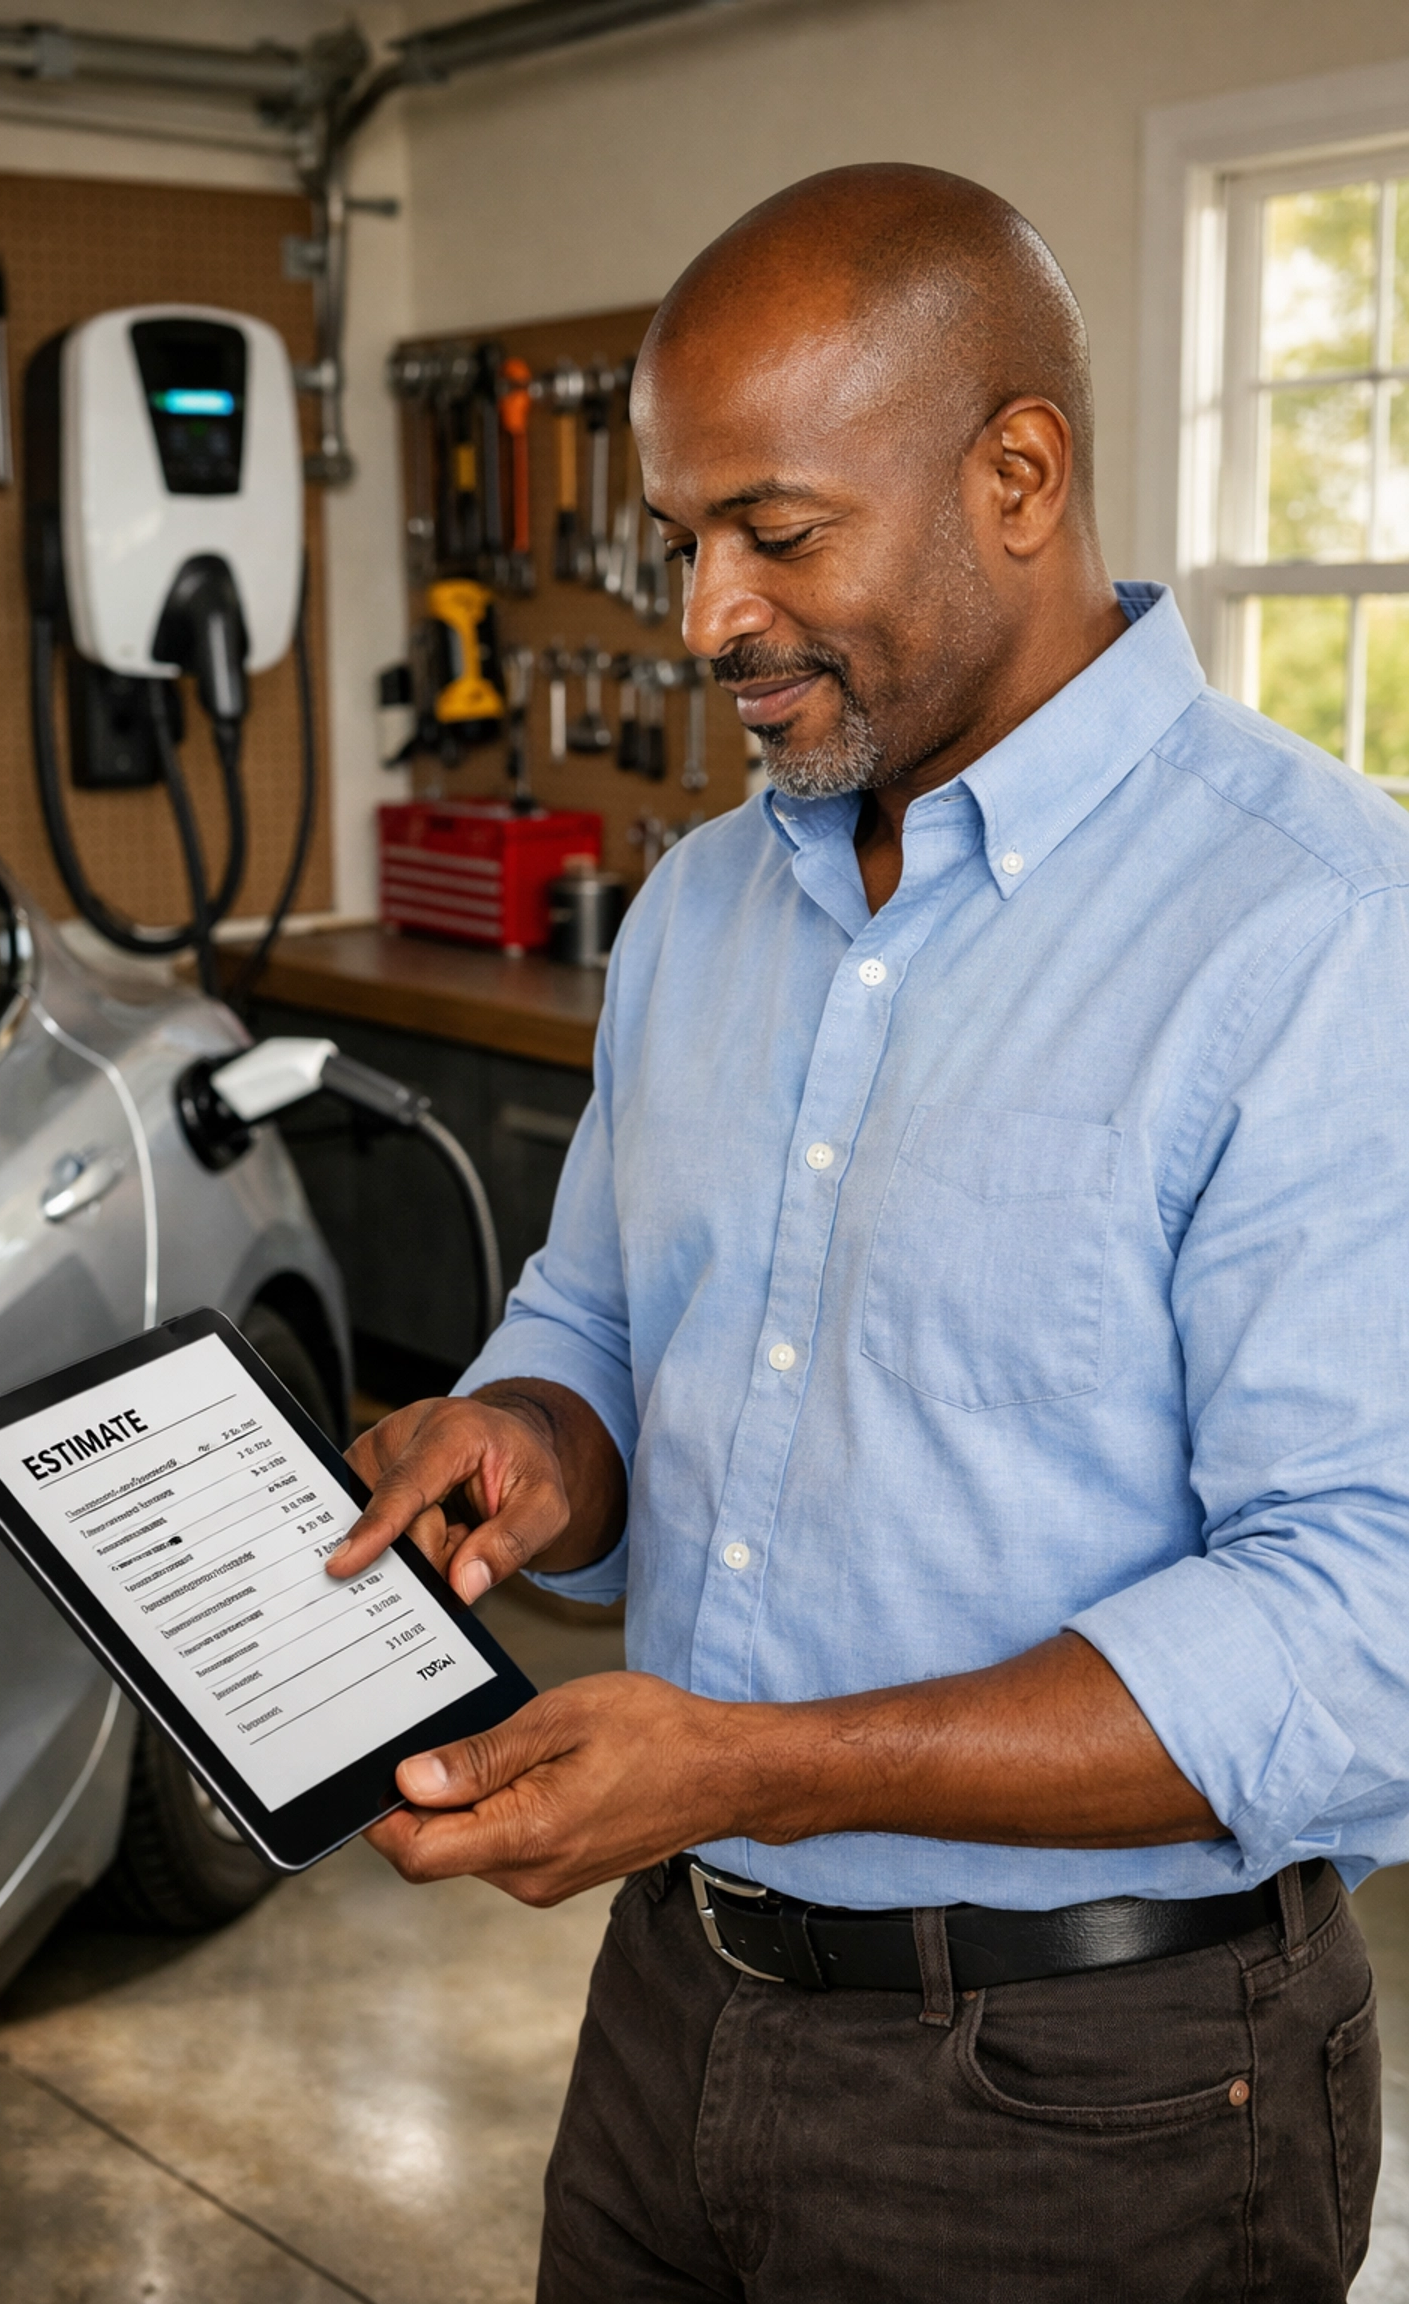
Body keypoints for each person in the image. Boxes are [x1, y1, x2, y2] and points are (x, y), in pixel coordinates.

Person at [333, 165, 1403, 2300]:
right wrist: (540, 1441)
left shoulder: (1319, 926)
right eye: (682, 542)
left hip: (1098, 2098)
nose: (708, 617)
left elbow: (1362, 1634)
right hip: (678, 2007)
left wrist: (759, 1766)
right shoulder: (708, 901)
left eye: (779, 533)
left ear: (1018, 472)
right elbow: (607, 1315)